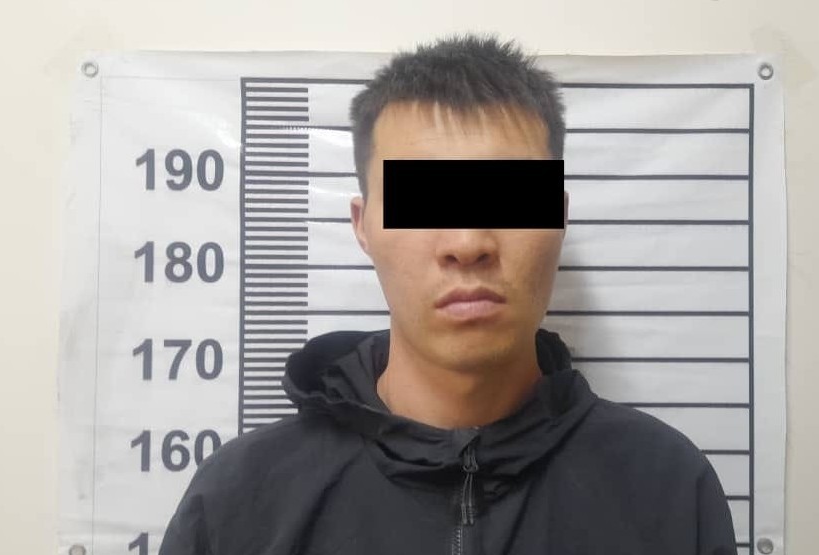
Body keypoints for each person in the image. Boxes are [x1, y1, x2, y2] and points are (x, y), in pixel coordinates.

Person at [159, 32, 737, 555]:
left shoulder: (666, 487)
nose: (467, 243)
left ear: (558, 216)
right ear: (362, 226)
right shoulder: (239, 500)